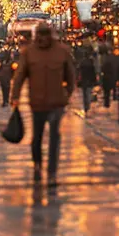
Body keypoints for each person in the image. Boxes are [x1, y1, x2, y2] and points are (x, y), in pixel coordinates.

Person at [10, 22, 76, 185]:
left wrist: (66, 95)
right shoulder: (29, 52)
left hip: (56, 103)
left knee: (54, 137)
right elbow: (20, 76)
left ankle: (51, 172)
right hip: (37, 103)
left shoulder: (62, 51)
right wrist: (15, 96)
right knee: (37, 136)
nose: (43, 38)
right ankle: (38, 165)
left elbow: (71, 77)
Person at [75, 37, 99, 113]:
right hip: (89, 77)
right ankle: (87, 106)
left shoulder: (82, 61)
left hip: (84, 78)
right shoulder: (91, 61)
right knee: (88, 92)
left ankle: (86, 106)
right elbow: (94, 70)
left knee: (85, 92)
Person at [99, 39, 119, 107]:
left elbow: (103, 68)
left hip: (107, 77)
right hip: (111, 76)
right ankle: (113, 97)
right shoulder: (114, 58)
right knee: (113, 87)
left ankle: (107, 103)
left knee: (107, 91)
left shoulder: (106, 59)